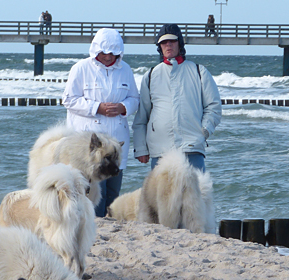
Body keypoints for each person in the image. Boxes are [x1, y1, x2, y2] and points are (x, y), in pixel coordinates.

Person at [63, 28, 140, 217]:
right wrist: (97, 107)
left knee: (113, 194)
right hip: (91, 147)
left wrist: (123, 107)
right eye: (104, 52)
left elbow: (134, 98)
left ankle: (111, 228)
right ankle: (93, 226)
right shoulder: (81, 68)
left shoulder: (126, 70)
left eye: (112, 53)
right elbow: (69, 99)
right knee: (94, 194)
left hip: (116, 143)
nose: (107, 57)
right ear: (95, 50)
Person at [133, 24, 221, 174]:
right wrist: (141, 148)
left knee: (195, 196)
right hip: (160, 152)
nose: (168, 45)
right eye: (163, 42)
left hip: (192, 149)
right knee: (161, 198)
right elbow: (142, 116)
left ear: (180, 43)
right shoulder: (151, 75)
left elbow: (214, 106)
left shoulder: (199, 71)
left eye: (172, 41)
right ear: (159, 46)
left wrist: (204, 131)